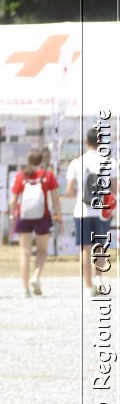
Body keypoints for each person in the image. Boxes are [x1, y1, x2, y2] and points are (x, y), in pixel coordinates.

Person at [65, 126, 114, 295]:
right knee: (100, 246)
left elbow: (69, 190)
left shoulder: (77, 162)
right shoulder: (110, 162)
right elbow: (115, 188)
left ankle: (87, 286)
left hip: (82, 210)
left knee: (85, 248)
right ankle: (99, 278)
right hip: (102, 211)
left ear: (86, 142)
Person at [11, 149, 60, 296]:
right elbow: (56, 199)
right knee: (42, 251)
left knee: (24, 253)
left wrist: (12, 215)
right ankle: (36, 276)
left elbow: (13, 199)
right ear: (42, 160)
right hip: (42, 215)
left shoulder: (21, 175)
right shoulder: (48, 175)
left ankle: (25, 288)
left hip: (23, 215)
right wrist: (58, 215)